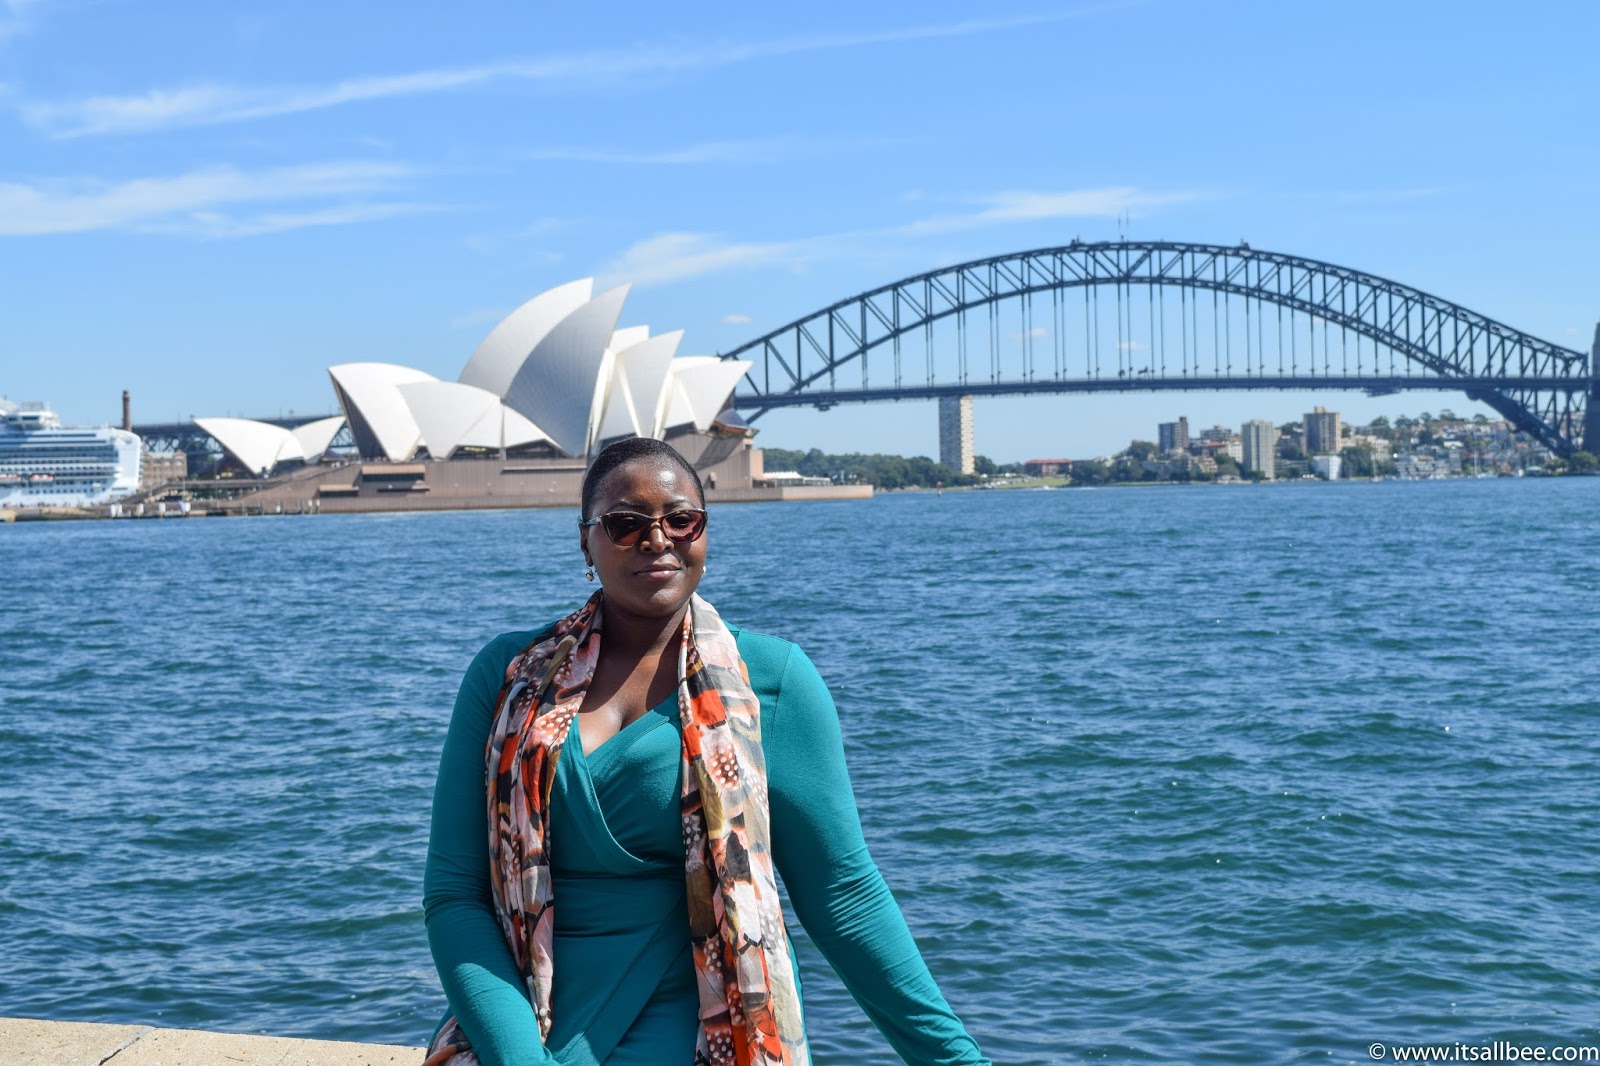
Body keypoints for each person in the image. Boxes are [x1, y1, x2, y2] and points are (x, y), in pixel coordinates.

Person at [423, 437, 989, 1066]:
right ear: (585, 540)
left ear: (705, 531)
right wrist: (517, 1058)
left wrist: (956, 1061)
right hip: (521, 1019)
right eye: (624, 523)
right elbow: (454, 895)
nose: (657, 538)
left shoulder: (770, 683)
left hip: (701, 1024)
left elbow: (843, 894)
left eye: (680, 518)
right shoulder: (508, 679)